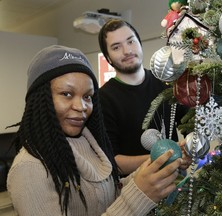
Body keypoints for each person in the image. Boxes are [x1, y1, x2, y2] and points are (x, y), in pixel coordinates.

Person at [6, 45, 184, 216]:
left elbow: (107, 197)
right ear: (40, 99)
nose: (81, 106)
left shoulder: (92, 146)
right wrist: (140, 194)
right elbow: (127, 203)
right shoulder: (29, 169)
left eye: (87, 96)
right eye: (67, 94)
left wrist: (151, 170)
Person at [98, 19, 189, 175]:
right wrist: (165, 158)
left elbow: (190, 124)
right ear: (108, 57)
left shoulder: (167, 84)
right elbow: (113, 161)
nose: (127, 51)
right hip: (134, 192)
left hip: (177, 184)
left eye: (131, 41)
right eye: (116, 47)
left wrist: (189, 149)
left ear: (140, 43)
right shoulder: (102, 99)